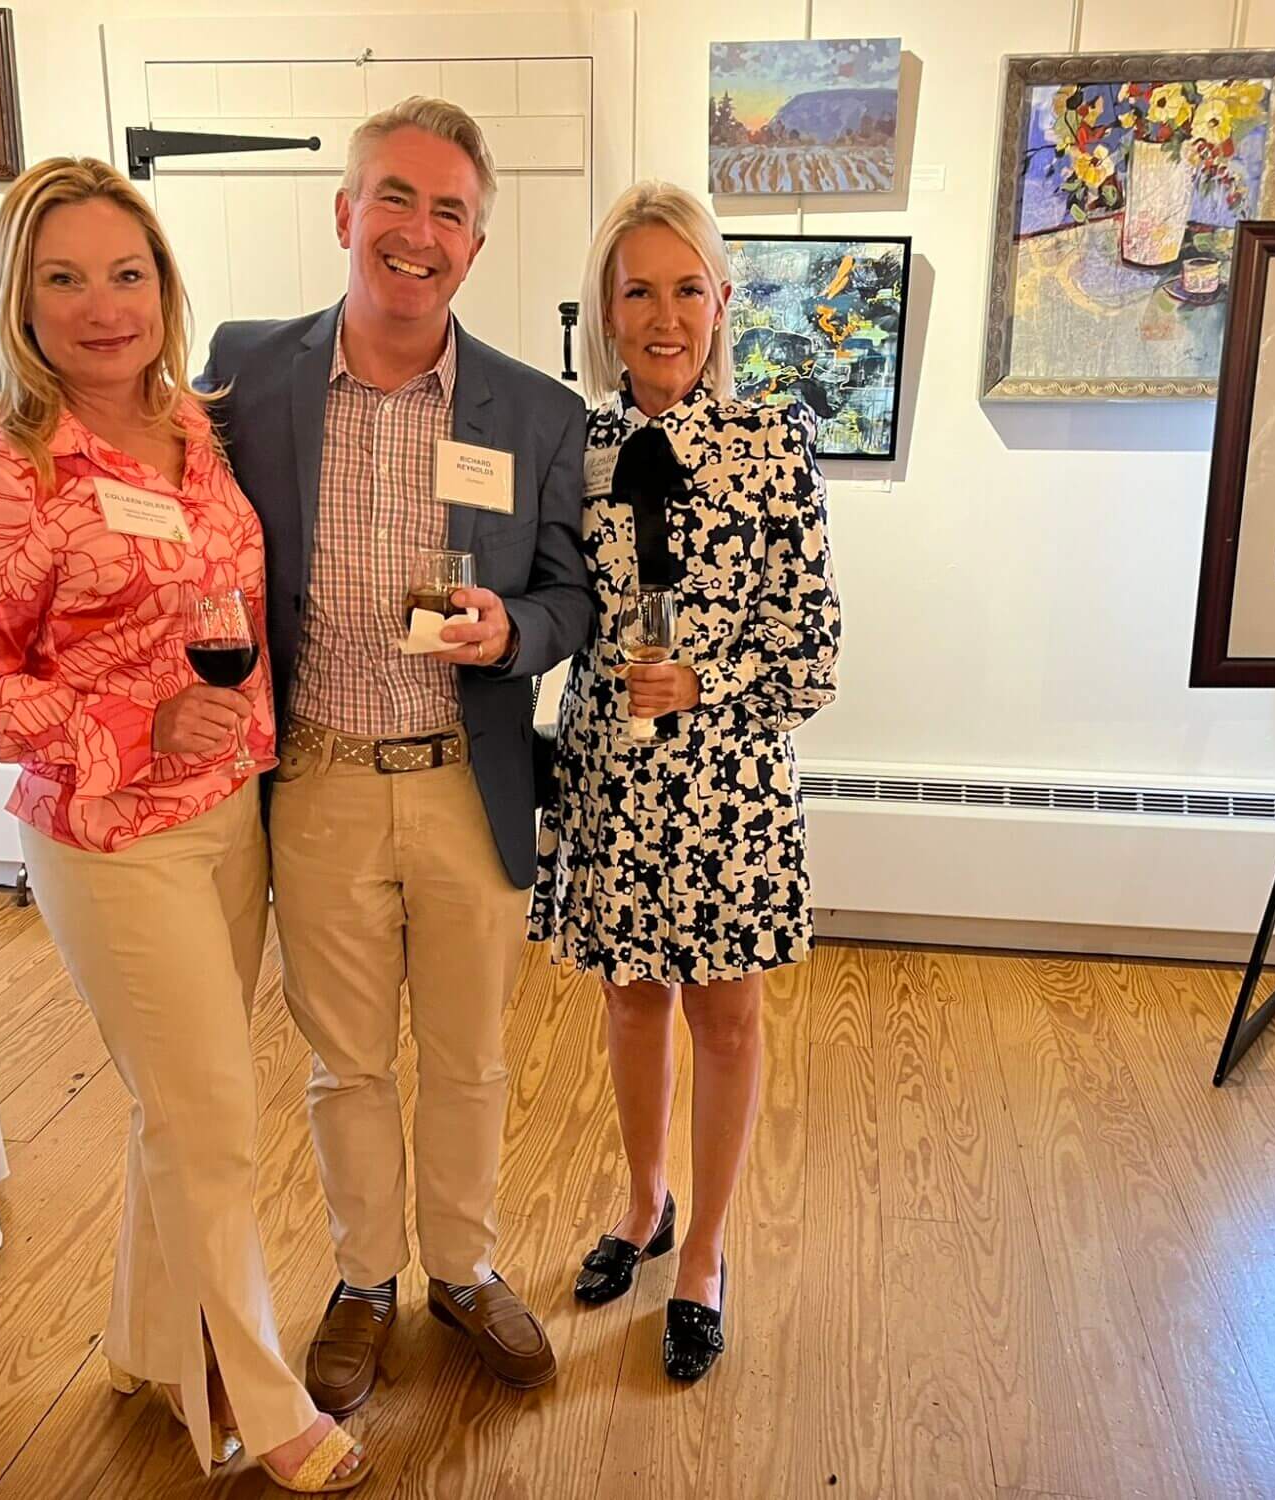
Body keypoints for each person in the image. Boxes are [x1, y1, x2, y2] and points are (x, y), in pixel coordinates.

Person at [0, 157, 366, 1494]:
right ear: (19, 299)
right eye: (64, 277)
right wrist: (126, 729)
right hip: (111, 839)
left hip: (229, 814)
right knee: (217, 1119)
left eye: (127, 273)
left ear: (163, 289)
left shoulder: (197, 429)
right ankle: (254, 1395)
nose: (102, 305)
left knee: (174, 1107)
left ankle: (139, 1340)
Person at [198, 97, 593, 1415]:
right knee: (346, 1061)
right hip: (310, 778)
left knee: (471, 1056)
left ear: (476, 245)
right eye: (397, 199)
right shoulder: (246, 374)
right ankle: (365, 1278)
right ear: (345, 212)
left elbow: (571, 595)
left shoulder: (533, 411)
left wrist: (516, 629)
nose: (419, 235)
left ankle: (464, 1270)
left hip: (462, 782)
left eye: (451, 214)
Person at [531, 180, 840, 1383]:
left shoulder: (774, 440)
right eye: (636, 290)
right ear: (607, 311)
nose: (663, 316)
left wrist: (705, 682)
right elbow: (560, 605)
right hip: (612, 772)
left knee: (724, 1013)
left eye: (686, 288)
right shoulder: (578, 447)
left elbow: (812, 650)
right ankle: (642, 1203)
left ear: (722, 301)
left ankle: (704, 1252)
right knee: (626, 1000)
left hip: (731, 784)